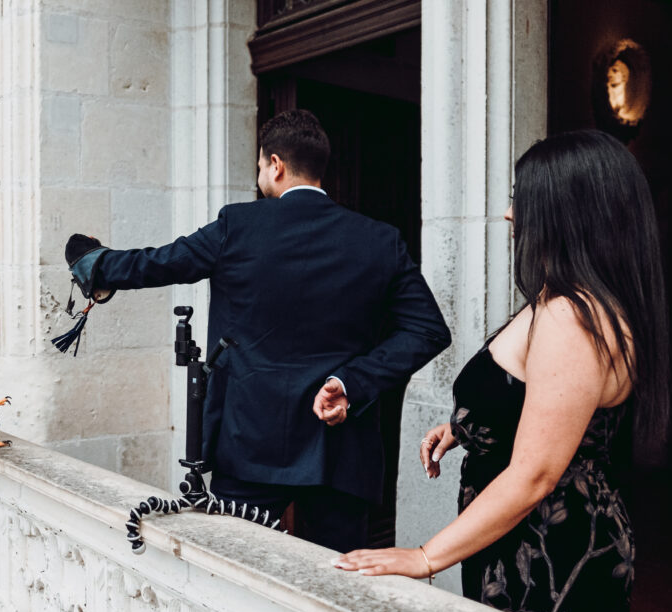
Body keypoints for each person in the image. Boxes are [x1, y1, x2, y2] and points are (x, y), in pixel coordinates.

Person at [332, 129, 669, 612]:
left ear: (564, 208)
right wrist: (470, 425)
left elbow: (536, 472)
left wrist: (423, 557)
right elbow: (546, 409)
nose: (510, 215)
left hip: (549, 550)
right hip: (524, 539)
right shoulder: (567, 301)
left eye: (520, 198)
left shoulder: (571, 317)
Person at [65, 109, 451, 552]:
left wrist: (94, 264)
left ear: (276, 164)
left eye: (261, 167)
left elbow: (160, 262)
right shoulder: (381, 240)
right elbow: (428, 331)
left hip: (249, 441)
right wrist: (351, 382)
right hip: (342, 451)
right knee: (342, 588)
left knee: (237, 567)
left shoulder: (238, 226)